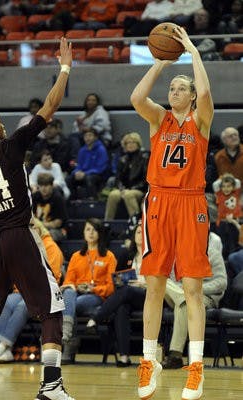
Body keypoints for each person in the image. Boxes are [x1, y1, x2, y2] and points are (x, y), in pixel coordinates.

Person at [130, 25, 214, 400]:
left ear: (192, 97)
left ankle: (196, 367)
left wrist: (193, 52)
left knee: (193, 287)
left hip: (191, 202)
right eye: (173, 88)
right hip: (159, 202)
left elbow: (207, 91)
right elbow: (136, 96)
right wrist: (160, 62)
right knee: (155, 284)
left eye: (182, 88)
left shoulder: (200, 121)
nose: (175, 91)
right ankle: (149, 359)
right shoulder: (158, 119)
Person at [0, 37, 75, 399]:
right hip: (17, 234)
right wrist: (64, 68)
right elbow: (51, 105)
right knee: (52, 311)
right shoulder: (11, 146)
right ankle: (51, 385)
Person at [0, 218, 64, 363]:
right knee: (7, 302)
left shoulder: (51, 247)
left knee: (23, 305)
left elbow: (53, 276)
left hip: (42, 292)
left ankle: (5, 344)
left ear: (38, 230)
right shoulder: (24, 247)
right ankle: (3, 348)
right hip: (20, 291)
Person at [162, 232, 227, 368]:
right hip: (179, 293)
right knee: (160, 280)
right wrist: (184, 291)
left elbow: (221, 282)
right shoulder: (180, 252)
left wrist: (196, 290)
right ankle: (183, 296)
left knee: (185, 305)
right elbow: (173, 280)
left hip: (204, 297)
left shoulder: (213, 254)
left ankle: (175, 355)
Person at [86, 223, 146, 367]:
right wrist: (122, 281)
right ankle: (124, 356)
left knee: (127, 291)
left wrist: (142, 284)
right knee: (121, 308)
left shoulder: (154, 254)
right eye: (138, 232)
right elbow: (117, 279)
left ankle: (96, 318)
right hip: (128, 296)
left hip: (148, 295)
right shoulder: (127, 254)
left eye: (143, 232)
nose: (140, 234)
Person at [60, 218, 117, 343]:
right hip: (76, 293)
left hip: (97, 296)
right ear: (84, 233)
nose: (91, 233)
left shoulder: (109, 256)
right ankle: (67, 333)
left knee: (68, 304)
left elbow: (111, 287)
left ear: (100, 233)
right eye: (88, 229)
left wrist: (93, 289)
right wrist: (78, 286)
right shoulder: (76, 256)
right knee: (69, 292)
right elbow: (68, 281)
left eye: (94, 230)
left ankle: (67, 342)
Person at [104, 132, 149, 220]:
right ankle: (107, 223)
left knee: (129, 195)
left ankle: (136, 222)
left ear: (138, 144)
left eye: (133, 142)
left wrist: (132, 189)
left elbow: (145, 179)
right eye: (128, 143)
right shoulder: (122, 159)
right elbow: (118, 178)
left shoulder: (145, 157)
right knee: (113, 194)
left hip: (139, 189)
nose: (130, 145)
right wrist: (122, 189)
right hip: (124, 189)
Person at [66, 128, 109, 200]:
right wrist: (76, 172)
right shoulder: (82, 150)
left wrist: (85, 173)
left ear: (95, 137)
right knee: (69, 179)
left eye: (90, 135)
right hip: (83, 173)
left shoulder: (101, 149)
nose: (87, 138)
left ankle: (93, 200)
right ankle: (73, 200)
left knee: (89, 178)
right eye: (85, 136)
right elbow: (79, 165)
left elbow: (100, 168)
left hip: (97, 175)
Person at [32, 172, 68, 242]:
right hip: (39, 228)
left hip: (58, 230)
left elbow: (58, 223)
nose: (43, 188)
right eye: (41, 185)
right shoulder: (35, 197)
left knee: (49, 234)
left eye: (46, 185)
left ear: (52, 185)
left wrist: (40, 225)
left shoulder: (58, 198)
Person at [212, 173, 242, 258]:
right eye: (224, 186)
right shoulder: (219, 195)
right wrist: (222, 178)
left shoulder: (236, 193)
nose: (226, 189)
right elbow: (215, 185)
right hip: (223, 222)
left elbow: (238, 182)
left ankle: (233, 256)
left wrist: (229, 177)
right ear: (221, 187)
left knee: (234, 241)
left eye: (229, 186)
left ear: (233, 187)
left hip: (236, 220)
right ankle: (224, 258)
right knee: (224, 242)